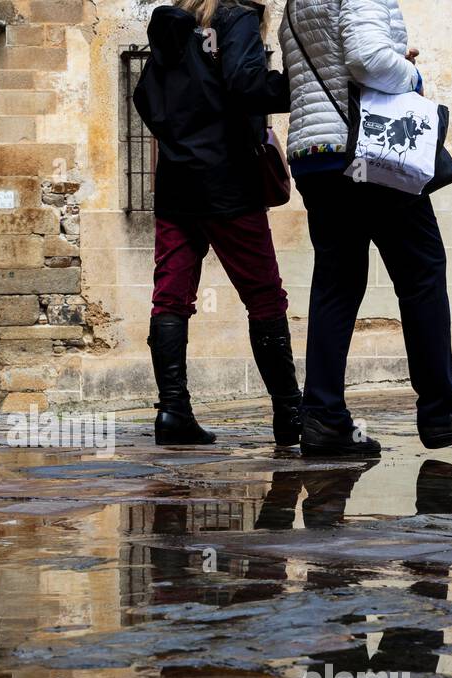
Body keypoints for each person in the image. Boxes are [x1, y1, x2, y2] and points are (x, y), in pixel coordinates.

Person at [280, 0, 452, 456]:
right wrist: (410, 75)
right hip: (367, 154)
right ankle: (441, 409)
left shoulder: (294, 5)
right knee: (422, 271)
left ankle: (324, 418)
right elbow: (367, 59)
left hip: (316, 155)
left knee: (337, 284)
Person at [135, 0, 300, 447]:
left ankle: (173, 411)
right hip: (229, 182)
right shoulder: (235, 19)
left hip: (176, 183)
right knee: (264, 297)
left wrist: (181, 140)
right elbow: (247, 85)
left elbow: (144, 96)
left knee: (170, 297)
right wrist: (298, 86)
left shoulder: (170, 27)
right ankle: (289, 413)